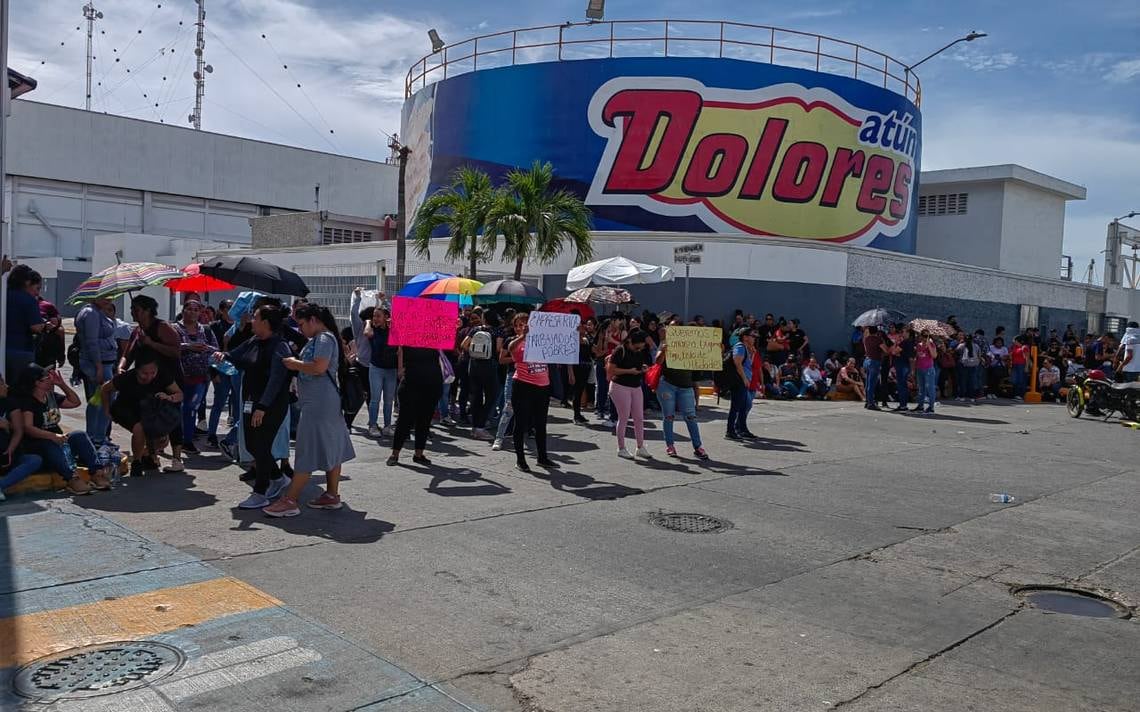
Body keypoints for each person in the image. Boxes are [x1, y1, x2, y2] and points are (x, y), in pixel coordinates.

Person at [268, 304, 356, 517]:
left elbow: (319, 367)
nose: (300, 329)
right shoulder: (322, 338)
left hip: (319, 403)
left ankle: (291, 499)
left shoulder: (324, 339)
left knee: (307, 450)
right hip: (322, 401)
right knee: (330, 447)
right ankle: (332, 495)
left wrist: (294, 364)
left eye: (301, 324)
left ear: (313, 320)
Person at [217, 304, 294, 509]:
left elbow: (276, 381)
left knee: (261, 445)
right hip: (251, 401)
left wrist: (262, 407)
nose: (252, 320)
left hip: (270, 405)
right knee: (251, 445)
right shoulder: (255, 340)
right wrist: (222, 355)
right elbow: (237, 356)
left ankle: (261, 492)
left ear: (266, 323)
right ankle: (278, 478)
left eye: (256, 317)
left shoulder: (280, 346)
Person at [12, 365, 108, 494]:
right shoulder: (28, 402)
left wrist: (62, 384)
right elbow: (28, 428)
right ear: (37, 383)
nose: (50, 379)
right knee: (49, 444)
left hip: (58, 442)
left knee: (79, 435)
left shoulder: (50, 396)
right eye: (46, 378)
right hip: (40, 445)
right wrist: (53, 436)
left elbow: (75, 402)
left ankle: (97, 472)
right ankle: (71, 478)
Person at [121, 295, 186, 472]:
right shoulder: (136, 331)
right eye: (132, 309)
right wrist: (121, 368)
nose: (132, 312)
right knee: (146, 416)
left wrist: (151, 343)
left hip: (168, 379)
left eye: (136, 309)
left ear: (148, 311)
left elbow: (176, 351)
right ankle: (152, 455)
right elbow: (128, 354)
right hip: (147, 381)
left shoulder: (163, 327)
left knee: (171, 417)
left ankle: (177, 458)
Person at [101, 350, 184, 477]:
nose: (149, 376)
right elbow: (105, 389)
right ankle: (137, 462)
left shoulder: (163, 376)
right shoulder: (127, 377)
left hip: (148, 410)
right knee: (139, 428)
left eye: (153, 373)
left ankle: (147, 454)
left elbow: (179, 394)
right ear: (137, 370)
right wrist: (106, 410)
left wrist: (169, 397)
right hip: (125, 408)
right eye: (144, 373)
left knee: (162, 439)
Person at [507, 312, 554, 472]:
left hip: (543, 387)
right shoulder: (516, 342)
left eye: (525, 324)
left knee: (541, 424)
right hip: (523, 385)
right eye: (519, 325)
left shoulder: (542, 339)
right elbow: (510, 349)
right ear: (515, 328)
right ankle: (520, 459)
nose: (523, 327)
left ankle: (542, 457)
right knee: (521, 423)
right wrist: (523, 337)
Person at [387, 337, 443, 467]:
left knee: (424, 420)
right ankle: (395, 453)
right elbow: (399, 349)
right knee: (405, 420)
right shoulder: (409, 335)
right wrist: (400, 369)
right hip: (412, 382)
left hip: (430, 382)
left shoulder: (436, 337)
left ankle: (418, 454)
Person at [173, 300, 218, 455]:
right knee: (178, 408)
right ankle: (175, 439)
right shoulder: (175, 329)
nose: (192, 312)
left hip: (200, 376)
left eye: (196, 309)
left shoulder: (205, 330)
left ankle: (187, 440)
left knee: (191, 408)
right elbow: (170, 347)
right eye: (189, 309)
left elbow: (215, 349)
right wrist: (187, 346)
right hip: (179, 376)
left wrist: (205, 348)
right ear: (183, 310)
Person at [654, 334, 709, 460]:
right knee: (669, 416)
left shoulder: (692, 349)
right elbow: (657, 362)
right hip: (668, 385)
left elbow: (702, 363)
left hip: (686, 387)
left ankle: (698, 447)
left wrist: (715, 351)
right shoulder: (665, 343)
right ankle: (670, 446)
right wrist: (663, 351)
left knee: (691, 417)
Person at [74, 297, 118, 447]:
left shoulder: (97, 312)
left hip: (104, 363)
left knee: (100, 401)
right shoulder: (91, 313)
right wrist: (98, 366)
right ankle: (96, 437)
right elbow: (91, 342)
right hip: (99, 365)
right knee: (101, 402)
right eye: (104, 296)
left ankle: (98, 436)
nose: (108, 299)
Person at [607, 329, 651, 459]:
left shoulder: (638, 352)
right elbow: (611, 370)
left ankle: (640, 446)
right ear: (632, 341)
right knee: (624, 417)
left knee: (639, 417)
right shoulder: (620, 350)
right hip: (620, 386)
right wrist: (629, 371)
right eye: (639, 345)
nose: (640, 348)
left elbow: (638, 364)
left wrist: (642, 368)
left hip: (636, 386)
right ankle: (621, 448)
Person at [0, 374, 43, 500]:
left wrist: (9, 451)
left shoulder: (10, 403)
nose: (6, 386)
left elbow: (19, 430)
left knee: (34, 460)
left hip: (8, 454)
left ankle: (1, 485)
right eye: (2, 383)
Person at [461, 309, 499, 440]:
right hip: (489, 365)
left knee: (475, 396)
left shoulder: (475, 330)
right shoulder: (496, 331)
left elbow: (464, 345)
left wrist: (475, 352)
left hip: (474, 364)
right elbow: (499, 349)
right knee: (491, 395)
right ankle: (480, 426)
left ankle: (475, 427)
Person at [362, 305, 399, 437]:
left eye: (378, 316)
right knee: (375, 399)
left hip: (391, 370)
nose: (375, 319)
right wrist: (367, 322)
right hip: (376, 368)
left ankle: (387, 426)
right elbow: (367, 333)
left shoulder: (393, 330)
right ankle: (373, 425)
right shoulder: (374, 330)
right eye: (374, 316)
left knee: (389, 400)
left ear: (386, 317)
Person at [5, 265, 46, 378]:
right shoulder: (28, 300)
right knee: (21, 388)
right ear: (27, 283)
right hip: (21, 350)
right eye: (37, 288)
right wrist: (44, 324)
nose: (38, 293)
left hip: (4, 348)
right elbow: (36, 327)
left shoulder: (4, 294)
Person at [206, 299, 237, 447]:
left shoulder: (240, 326)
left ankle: (235, 436)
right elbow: (210, 350)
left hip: (236, 370)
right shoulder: (214, 327)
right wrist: (213, 374)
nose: (232, 310)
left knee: (237, 403)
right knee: (219, 402)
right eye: (229, 307)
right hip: (221, 369)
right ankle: (211, 434)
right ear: (222, 310)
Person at [726, 328, 758, 437]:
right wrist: (744, 379)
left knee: (744, 406)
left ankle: (742, 429)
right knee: (736, 407)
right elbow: (737, 363)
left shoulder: (745, 348)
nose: (754, 338)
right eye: (752, 336)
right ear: (745, 337)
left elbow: (748, 365)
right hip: (739, 382)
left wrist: (752, 354)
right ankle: (730, 431)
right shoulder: (740, 347)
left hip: (743, 381)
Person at [569, 319, 593, 425]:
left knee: (582, 390)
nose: (584, 327)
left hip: (586, 368)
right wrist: (571, 373)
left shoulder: (586, 339)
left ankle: (579, 414)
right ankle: (576, 415)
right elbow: (569, 358)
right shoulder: (573, 340)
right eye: (582, 325)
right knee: (577, 392)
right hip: (577, 369)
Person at [861, 326, 886, 411]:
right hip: (874, 361)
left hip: (867, 360)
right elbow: (885, 350)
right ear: (876, 331)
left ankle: (868, 401)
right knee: (872, 383)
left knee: (868, 382)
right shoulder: (878, 340)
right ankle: (871, 403)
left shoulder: (866, 339)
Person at [891, 325, 915, 411]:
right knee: (903, 385)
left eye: (903, 332)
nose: (902, 334)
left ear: (908, 333)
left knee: (901, 385)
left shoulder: (904, 342)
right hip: (906, 365)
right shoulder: (911, 342)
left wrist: (896, 344)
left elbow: (893, 351)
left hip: (901, 365)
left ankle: (902, 405)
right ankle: (903, 404)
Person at [913, 330, 937, 413]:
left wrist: (929, 345)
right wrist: (914, 369)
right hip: (920, 368)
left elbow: (934, 355)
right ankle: (920, 405)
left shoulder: (931, 344)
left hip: (928, 369)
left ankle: (931, 407)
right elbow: (917, 357)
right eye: (922, 335)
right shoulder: (918, 345)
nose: (924, 337)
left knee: (930, 388)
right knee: (921, 388)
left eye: (926, 336)